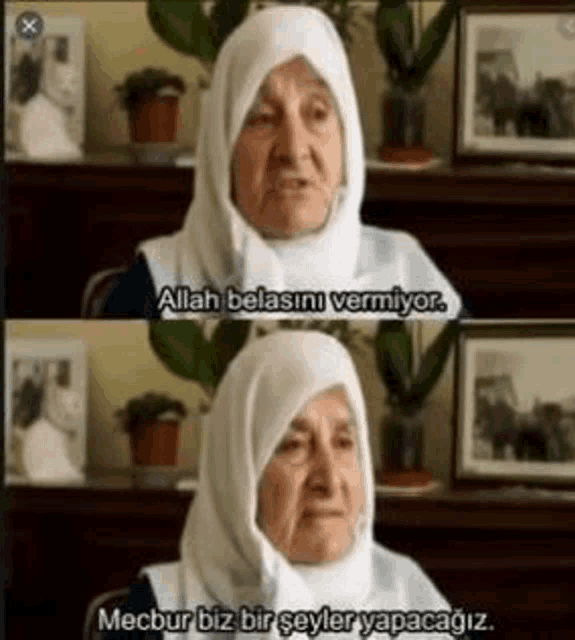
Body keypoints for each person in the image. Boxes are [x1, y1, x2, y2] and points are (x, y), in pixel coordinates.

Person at [98, 331, 481, 640]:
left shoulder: (413, 601)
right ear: (240, 473)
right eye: (294, 445)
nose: (329, 481)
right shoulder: (158, 612)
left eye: (345, 443)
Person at [101, 6, 465, 320]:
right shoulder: (159, 282)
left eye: (318, 113)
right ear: (221, 151)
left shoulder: (405, 272)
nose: (293, 149)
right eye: (261, 118)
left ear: (347, 139)